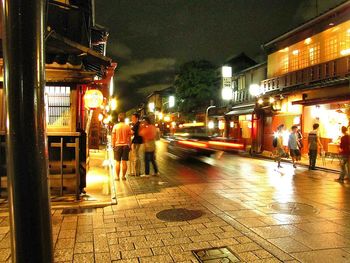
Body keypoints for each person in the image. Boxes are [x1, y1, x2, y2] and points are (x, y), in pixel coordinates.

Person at [112, 113, 132, 180]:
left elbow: (113, 137)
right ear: (124, 119)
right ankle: (123, 176)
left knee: (117, 162)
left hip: (117, 146)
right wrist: (130, 145)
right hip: (125, 146)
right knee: (124, 162)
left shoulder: (115, 126)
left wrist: (113, 145)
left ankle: (117, 177)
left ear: (118, 119)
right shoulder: (127, 126)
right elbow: (129, 138)